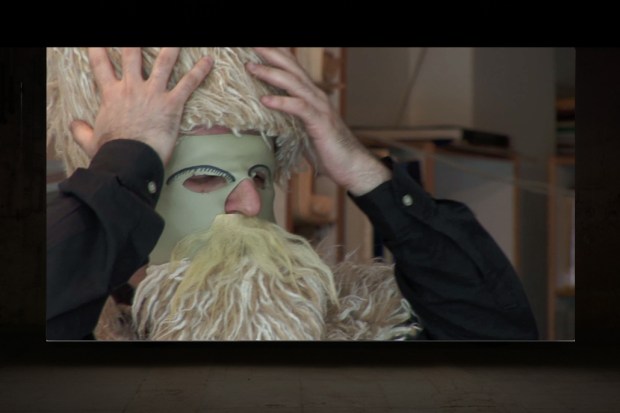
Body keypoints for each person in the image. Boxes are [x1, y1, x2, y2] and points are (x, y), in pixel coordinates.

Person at [47, 48, 538, 340]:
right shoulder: (80, 329)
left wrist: (366, 173)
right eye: (203, 178)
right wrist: (126, 161)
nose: (251, 205)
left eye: (261, 178)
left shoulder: (357, 320)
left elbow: (498, 340)